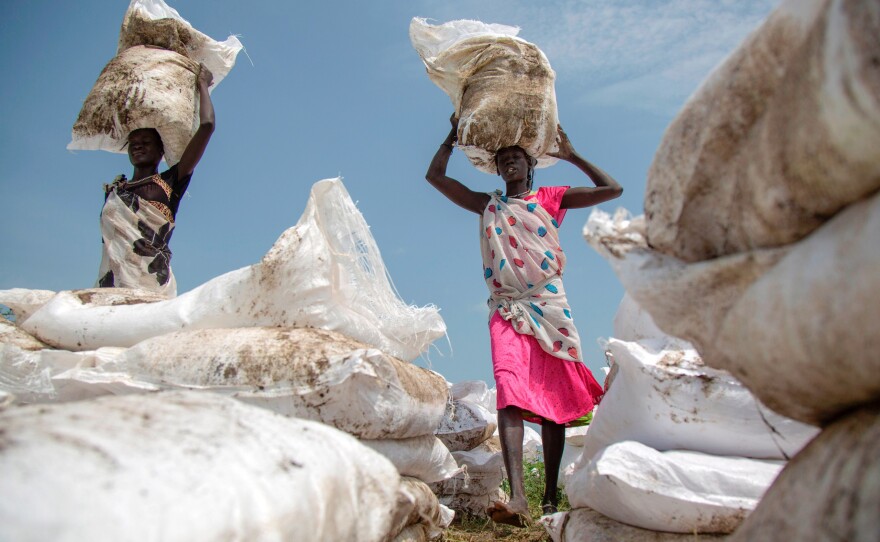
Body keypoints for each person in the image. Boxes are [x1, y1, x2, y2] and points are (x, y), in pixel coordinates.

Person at [425, 114, 623, 527]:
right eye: (504, 159)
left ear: (530, 166)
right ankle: (519, 499)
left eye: (517, 157)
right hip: (506, 308)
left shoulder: (551, 198)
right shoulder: (488, 205)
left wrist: (572, 155)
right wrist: (451, 136)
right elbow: (436, 177)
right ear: (497, 170)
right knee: (510, 390)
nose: (510, 163)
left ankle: (549, 499)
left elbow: (612, 188)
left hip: (550, 308)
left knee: (552, 402)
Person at [96, 63, 215, 297]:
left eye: (146, 141)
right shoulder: (116, 190)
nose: (138, 145)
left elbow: (207, 125)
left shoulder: (171, 181)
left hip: (150, 283)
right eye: (133, 142)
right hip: (112, 285)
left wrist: (203, 85)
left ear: (162, 151)